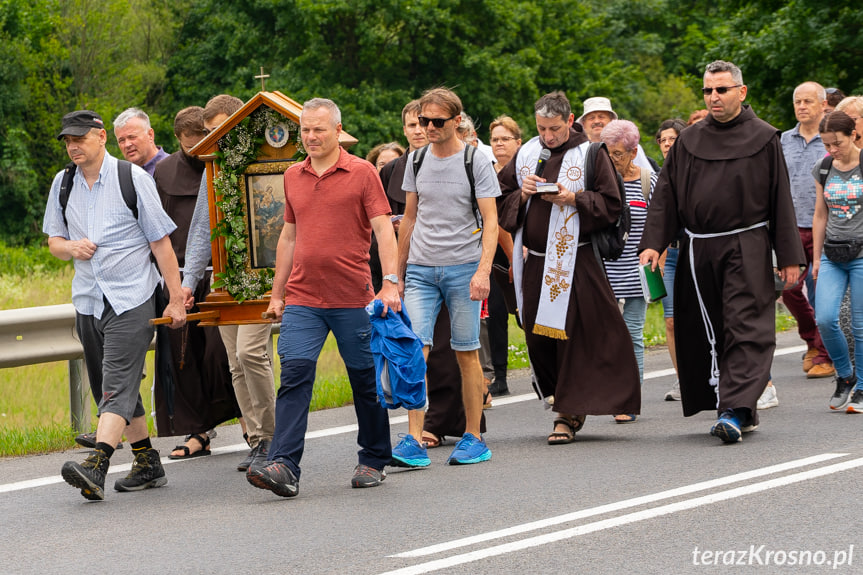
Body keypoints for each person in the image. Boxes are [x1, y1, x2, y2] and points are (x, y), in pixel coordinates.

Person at [639, 60, 805, 444]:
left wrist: (789, 256)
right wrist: (653, 243)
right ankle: (737, 407)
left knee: (744, 324)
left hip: (747, 245)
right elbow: (666, 194)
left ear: (741, 92)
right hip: (699, 247)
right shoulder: (690, 140)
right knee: (708, 326)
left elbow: (782, 199)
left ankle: (733, 410)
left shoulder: (764, 138)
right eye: (708, 91)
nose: (713, 97)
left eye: (722, 89)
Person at [246, 98, 398, 497]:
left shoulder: (363, 172)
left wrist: (391, 282)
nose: (311, 137)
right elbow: (289, 236)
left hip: (353, 297)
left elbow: (384, 230)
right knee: (294, 375)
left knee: (364, 381)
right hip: (303, 298)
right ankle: (284, 465)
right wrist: (277, 294)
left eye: (318, 130)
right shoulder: (293, 175)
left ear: (337, 130)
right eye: (305, 130)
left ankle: (374, 458)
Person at [44, 110, 186, 500]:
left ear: (101, 136)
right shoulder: (63, 184)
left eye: (79, 138)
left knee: (117, 381)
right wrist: (70, 246)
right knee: (110, 385)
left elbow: (161, 243)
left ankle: (97, 466)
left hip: (132, 296)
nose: (73, 146)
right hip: (88, 299)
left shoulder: (132, 178)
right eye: (67, 141)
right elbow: (54, 241)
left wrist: (176, 297)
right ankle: (147, 461)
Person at [498, 91, 640, 445]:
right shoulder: (528, 153)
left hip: (578, 259)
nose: (548, 136)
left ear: (570, 120)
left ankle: (567, 412)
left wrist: (573, 198)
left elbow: (612, 203)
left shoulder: (591, 153)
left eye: (556, 129)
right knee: (538, 331)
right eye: (542, 128)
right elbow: (498, 199)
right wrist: (524, 194)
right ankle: (558, 395)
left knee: (577, 334)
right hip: (537, 261)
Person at [393, 87, 500, 466]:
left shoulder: (475, 161)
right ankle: (412, 438)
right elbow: (408, 218)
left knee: (466, 351)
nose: (429, 128)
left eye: (438, 121)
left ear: (456, 120)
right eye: (424, 121)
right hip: (421, 269)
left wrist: (483, 271)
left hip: (463, 267)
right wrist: (397, 275)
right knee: (416, 350)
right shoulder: (417, 160)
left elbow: (491, 221)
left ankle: (473, 437)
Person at [182, 94, 276, 472]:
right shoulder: (214, 168)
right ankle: (256, 439)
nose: (215, 136)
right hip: (225, 282)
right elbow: (201, 232)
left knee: (250, 354)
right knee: (235, 363)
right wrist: (189, 283)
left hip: (265, 278)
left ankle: (272, 436)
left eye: (222, 127)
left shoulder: (268, 160)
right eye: (209, 131)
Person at [152, 106, 240, 458]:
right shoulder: (164, 172)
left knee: (223, 354)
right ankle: (197, 431)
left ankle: (247, 420)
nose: (197, 149)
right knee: (184, 356)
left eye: (203, 140)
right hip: (181, 275)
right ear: (178, 141)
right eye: (190, 144)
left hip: (221, 274)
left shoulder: (222, 161)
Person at [600, 119, 658, 423]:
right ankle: (611, 390)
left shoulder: (649, 181)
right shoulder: (599, 182)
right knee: (608, 334)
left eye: (618, 154)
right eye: (607, 154)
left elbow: (659, 223)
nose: (612, 160)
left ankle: (629, 399)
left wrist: (656, 253)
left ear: (634, 152)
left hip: (637, 270)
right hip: (605, 269)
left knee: (633, 332)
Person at [779, 82, 835, 378]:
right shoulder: (782, 140)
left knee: (823, 292)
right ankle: (812, 339)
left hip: (826, 225)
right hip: (791, 227)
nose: (801, 106)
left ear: (823, 105)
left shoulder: (831, 140)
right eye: (797, 101)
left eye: (808, 101)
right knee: (787, 287)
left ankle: (825, 355)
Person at [811, 110, 863, 413]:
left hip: (861, 254)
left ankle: (862, 389)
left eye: (837, 143)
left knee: (860, 325)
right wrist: (816, 258)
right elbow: (820, 214)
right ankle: (845, 376)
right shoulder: (824, 167)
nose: (832, 150)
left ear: (853, 135)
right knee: (826, 319)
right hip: (832, 253)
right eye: (827, 144)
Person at [653, 118, 687, 401]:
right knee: (672, 320)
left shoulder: (694, 170)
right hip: (670, 255)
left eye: (672, 139)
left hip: (695, 251)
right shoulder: (656, 175)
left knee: (700, 318)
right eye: (662, 140)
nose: (666, 144)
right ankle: (682, 379)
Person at [577, 96, 657, 173]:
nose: (597, 121)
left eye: (601, 117)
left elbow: (648, 177)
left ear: (612, 121)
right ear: (584, 124)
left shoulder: (629, 146)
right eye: (591, 118)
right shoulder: (578, 151)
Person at [113, 108, 170, 175]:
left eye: (132, 137)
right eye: (121, 140)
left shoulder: (175, 168)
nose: (127, 144)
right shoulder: (120, 176)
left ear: (150, 135)